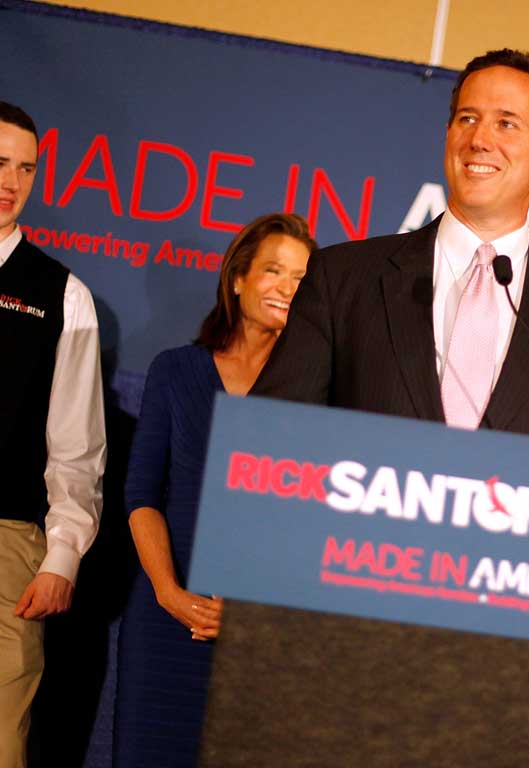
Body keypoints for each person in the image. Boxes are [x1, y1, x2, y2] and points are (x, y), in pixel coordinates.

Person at [251, 49, 529, 452]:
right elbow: (268, 441)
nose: (479, 140)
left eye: (506, 123)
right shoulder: (343, 278)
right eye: (468, 119)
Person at [115, 213, 315, 767]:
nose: (287, 288)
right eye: (274, 270)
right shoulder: (176, 370)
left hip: (256, 639)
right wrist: (169, 592)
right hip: (162, 620)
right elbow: (141, 495)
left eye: (302, 279)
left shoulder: (316, 394)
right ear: (238, 278)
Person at [0, 102, 105, 768]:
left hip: (7, 541)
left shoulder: (63, 295)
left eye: (25, 168)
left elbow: (77, 448)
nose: (11, 179)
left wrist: (62, 554)